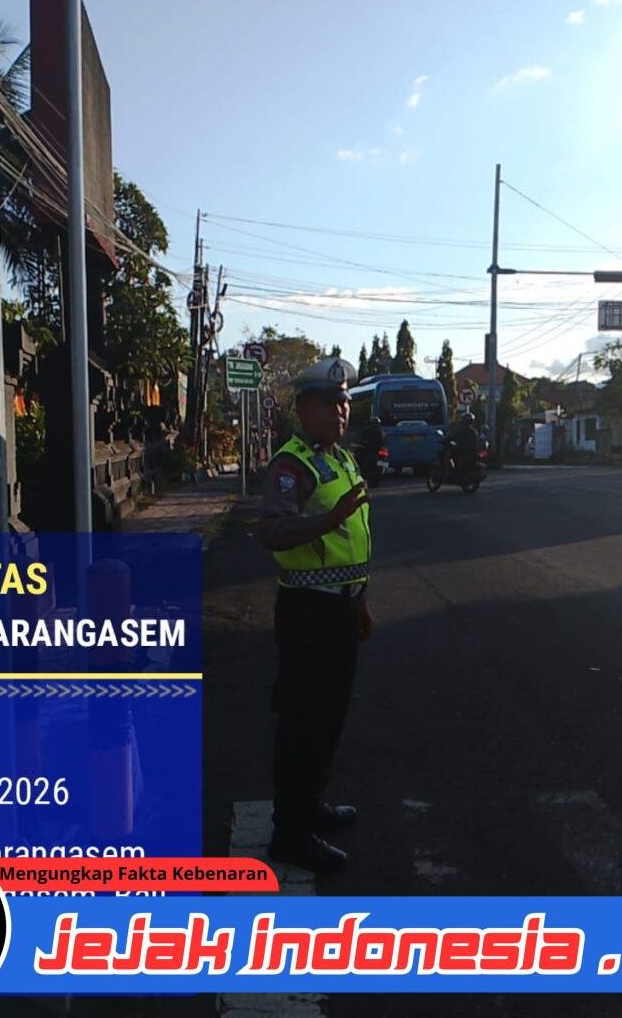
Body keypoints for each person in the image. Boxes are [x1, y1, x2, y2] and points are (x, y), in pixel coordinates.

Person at [257, 357, 373, 873]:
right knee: (303, 724)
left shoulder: (341, 459)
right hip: (308, 616)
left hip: (341, 608)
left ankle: (311, 806)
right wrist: (327, 519)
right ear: (303, 409)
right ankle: (290, 833)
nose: (340, 411)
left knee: (330, 719)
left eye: (344, 402)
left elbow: (353, 539)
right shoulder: (291, 466)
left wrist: (360, 600)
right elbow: (272, 532)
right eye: (328, 403)